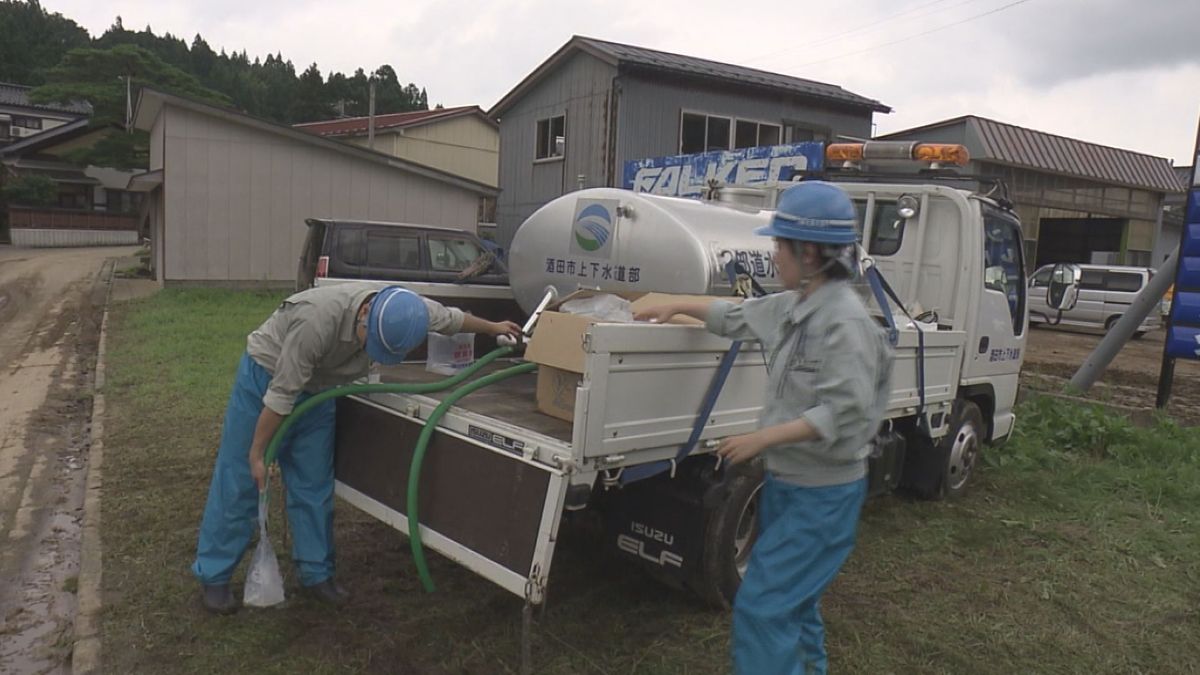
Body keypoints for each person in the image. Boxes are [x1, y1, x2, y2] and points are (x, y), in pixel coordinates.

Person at [634, 181, 893, 675]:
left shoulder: (845, 323)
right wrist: (676, 304)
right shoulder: (795, 304)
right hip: (789, 485)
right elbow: (735, 316)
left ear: (810, 253)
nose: (773, 254)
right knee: (795, 602)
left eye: (779, 245)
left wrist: (761, 439)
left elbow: (846, 413)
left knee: (762, 608)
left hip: (823, 498)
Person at [193, 283, 521, 614]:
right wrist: (257, 453)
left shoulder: (410, 312)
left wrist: (495, 328)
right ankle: (215, 574)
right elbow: (281, 396)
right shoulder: (315, 322)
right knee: (241, 479)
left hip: (320, 391)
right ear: (364, 313)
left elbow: (452, 319)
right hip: (267, 378)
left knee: (313, 483)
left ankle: (316, 573)